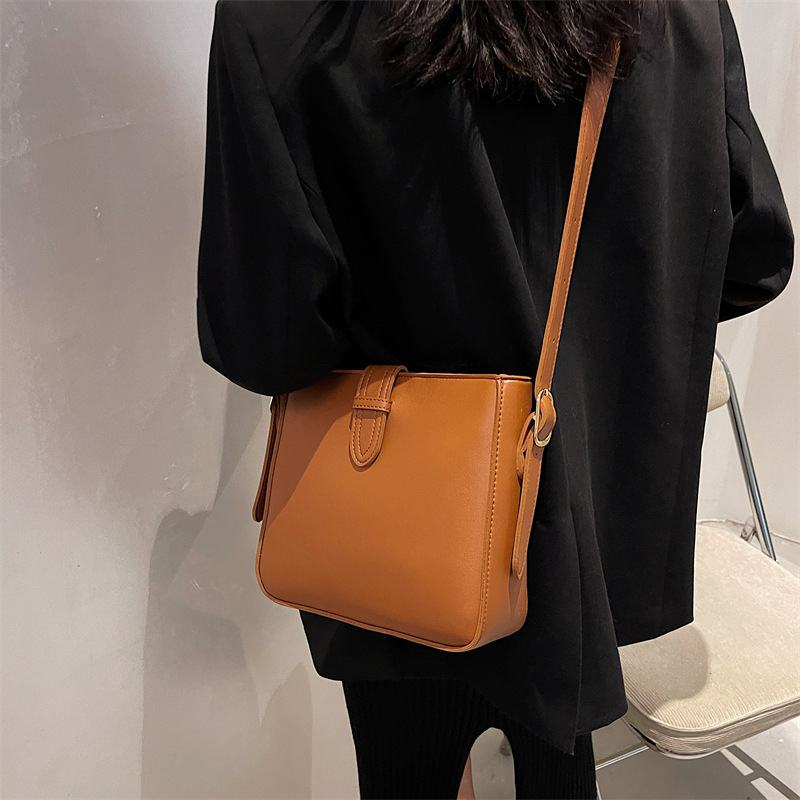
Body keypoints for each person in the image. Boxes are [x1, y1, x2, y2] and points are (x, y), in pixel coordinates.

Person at [195, 1, 794, 797]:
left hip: (395, 535)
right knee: (554, 769)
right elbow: (751, 257)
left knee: (408, 767)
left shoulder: (283, 20)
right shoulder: (678, 11)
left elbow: (267, 344)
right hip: (582, 539)